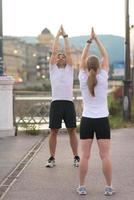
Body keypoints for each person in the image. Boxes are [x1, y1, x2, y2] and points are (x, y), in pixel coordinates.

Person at [77, 28, 115, 196]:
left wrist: (88, 41)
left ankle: (82, 187)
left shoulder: (83, 78)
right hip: (101, 120)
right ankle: (108, 187)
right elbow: (106, 55)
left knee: (84, 156)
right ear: (100, 65)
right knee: (105, 156)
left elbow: (82, 59)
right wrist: (97, 39)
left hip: (87, 120)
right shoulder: (104, 76)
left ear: (86, 66)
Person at [46, 25, 80, 168]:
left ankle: (76, 157)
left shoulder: (70, 69)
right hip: (56, 103)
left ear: (66, 60)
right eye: (58, 56)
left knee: (72, 130)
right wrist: (57, 36)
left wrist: (65, 37)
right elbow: (53, 51)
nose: (60, 56)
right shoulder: (52, 69)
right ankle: (52, 158)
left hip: (68, 103)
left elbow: (68, 51)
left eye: (63, 56)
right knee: (53, 131)